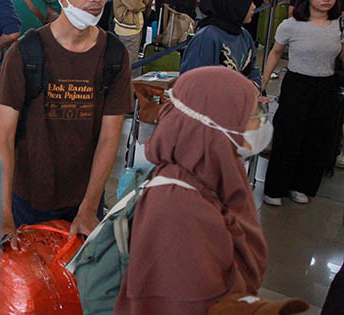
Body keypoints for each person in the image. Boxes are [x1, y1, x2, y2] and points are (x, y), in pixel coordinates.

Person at [0, 0, 132, 238]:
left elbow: (110, 137)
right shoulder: (26, 53)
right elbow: (3, 137)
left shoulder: (114, 55)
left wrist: (89, 207)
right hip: (27, 200)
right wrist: (4, 214)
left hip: (85, 199)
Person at [113, 67, 269, 314]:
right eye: (249, 116)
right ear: (216, 126)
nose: (260, 124)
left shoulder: (214, 175)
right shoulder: (179, 208)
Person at [262, 0, 343, 206]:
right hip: (297, 84)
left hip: (326, 85)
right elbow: (275, 53)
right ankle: (275, 189)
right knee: (288, 137)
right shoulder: (291, 25)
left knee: (318, 138)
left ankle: (301, 185)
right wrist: (264, 83)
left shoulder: (338, 24)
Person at [180, 0, 261, 87]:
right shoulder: (207, 37)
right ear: (234, 4)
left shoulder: (243, 35)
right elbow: (194, 83)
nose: (254, 7)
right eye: (249, 2)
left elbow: (252, 70)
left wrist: (254, 88)